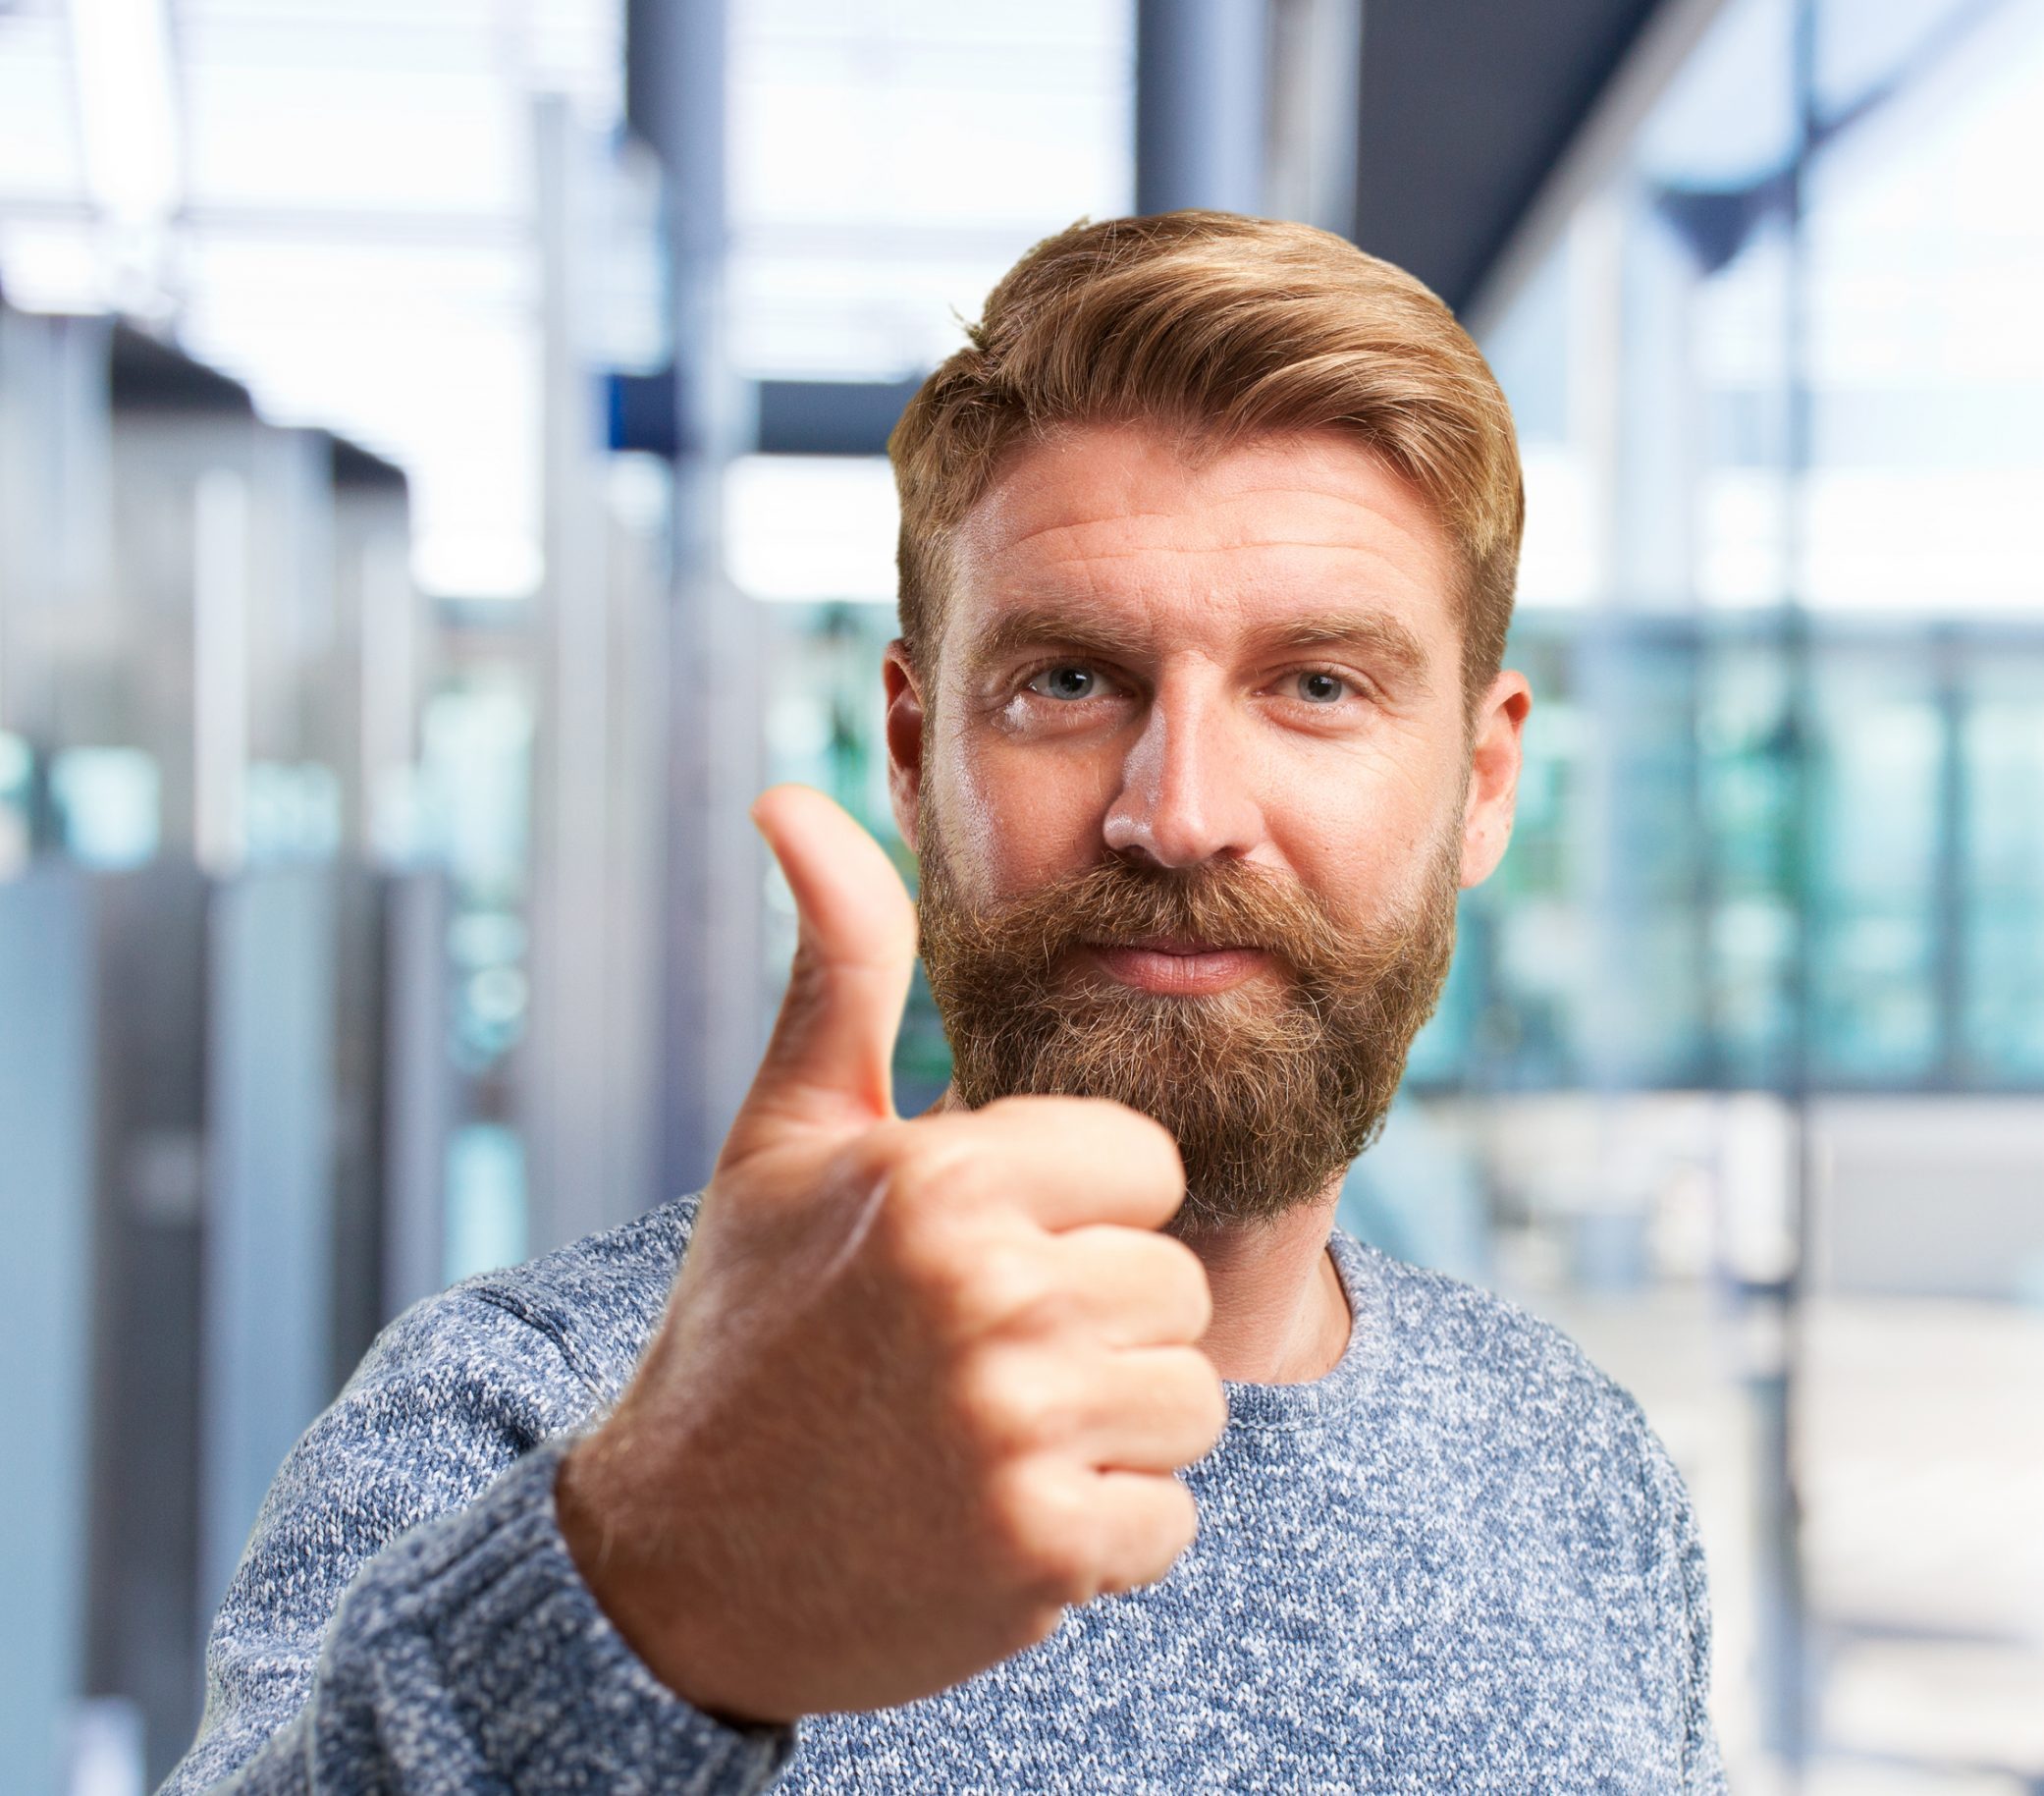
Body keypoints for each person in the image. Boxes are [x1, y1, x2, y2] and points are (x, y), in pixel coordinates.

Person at [162, 212, 1725, 1794]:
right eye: (1067, 681)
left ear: (1480, 778)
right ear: (912, 755)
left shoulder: (1574, 1465)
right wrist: (654, 1597)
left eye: (1316, 685)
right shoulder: (537, 1426)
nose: (1179, 812)